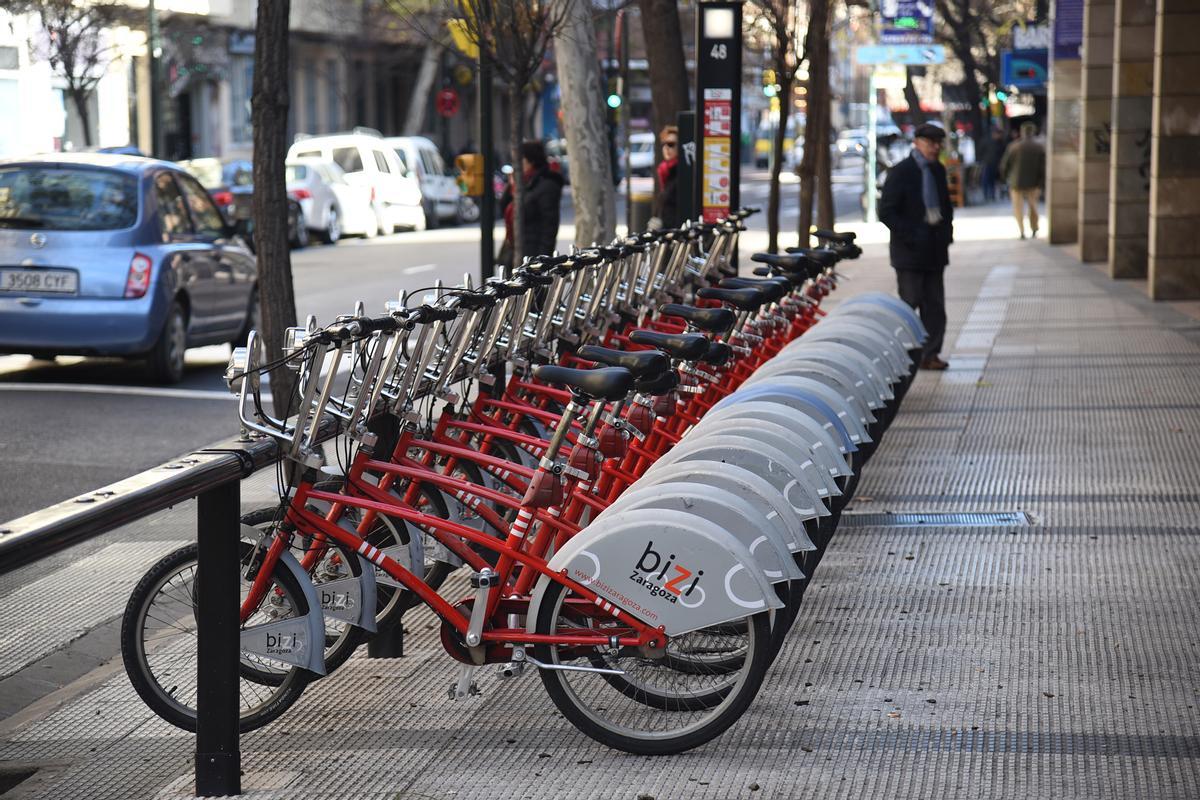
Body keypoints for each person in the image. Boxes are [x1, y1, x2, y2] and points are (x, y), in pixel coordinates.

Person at [878, 122, 955, 371]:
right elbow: (886, 212)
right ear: (917, 143)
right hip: (909, 253)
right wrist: (911, 235)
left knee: (935, 307)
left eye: (938, 143)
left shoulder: (938, 171)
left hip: (934, 252)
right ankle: (905, 356)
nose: (935, 148)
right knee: (909, 306)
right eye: (930, 143)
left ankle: (930, 354)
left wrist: (945, 234)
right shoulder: (901, 172)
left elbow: (945, 207)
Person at [497, 140, 566, 267]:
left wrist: (542, 261)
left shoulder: (546, 185)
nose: (516, 165)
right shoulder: (521, 183)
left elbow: (549, 227)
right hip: (513, 252)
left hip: (532, 254)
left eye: (520, 160)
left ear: (531, 161)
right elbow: (503, 208)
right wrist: (510, 186)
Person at [998, 122, 1046, 239]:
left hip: (1016, 182)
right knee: (1033, 206)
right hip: (1034, 182)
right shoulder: (1039, 148)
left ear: (1022, 132)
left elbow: (1004, 165)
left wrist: (1004, 178)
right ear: (1033, 132)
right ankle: (1034, 228)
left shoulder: (1014, 146)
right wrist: (1042, 182)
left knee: (1018, 207)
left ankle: (1021, 230)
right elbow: (1043, 167)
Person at [651, 125, 682, 230]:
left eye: (671, 144)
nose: (667, 148)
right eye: (664, 144)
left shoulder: (680, 173)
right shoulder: (666, 171)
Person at [980, 127, 1006, 202]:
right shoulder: (986, 141)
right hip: (987, 163)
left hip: (996, 164)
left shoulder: (1001, 143)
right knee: (985, 180)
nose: (1000, 136)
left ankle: (992, 195)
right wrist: (982, 160)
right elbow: (981, 151)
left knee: (993, 181)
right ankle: (986, 195)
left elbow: (1003, 153)